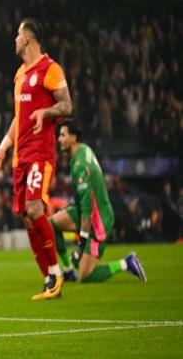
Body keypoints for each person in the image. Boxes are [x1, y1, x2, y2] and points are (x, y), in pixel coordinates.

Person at [0, 18, 72, 301]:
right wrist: (4, 146)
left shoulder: (50, 69)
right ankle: (49, 278)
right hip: (21, 156)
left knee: (35, 207)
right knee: (28, 218)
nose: (14, 39)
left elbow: (67, 105)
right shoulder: (19, 75)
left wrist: (46, 113)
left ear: (27, 39)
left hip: (40, 153)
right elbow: (19, 116)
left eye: (18, 34)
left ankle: (57, 274)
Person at [50, 119, 147, 283]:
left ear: (73, 138)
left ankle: (126, 263)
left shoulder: (79, 165)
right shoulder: (83, 150)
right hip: (88, 210)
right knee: (51, 224)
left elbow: (87, 208)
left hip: (98, 221)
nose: (59, 139)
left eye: (63, 135)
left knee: (85, 276)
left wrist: (80, 246)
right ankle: (68, 270)